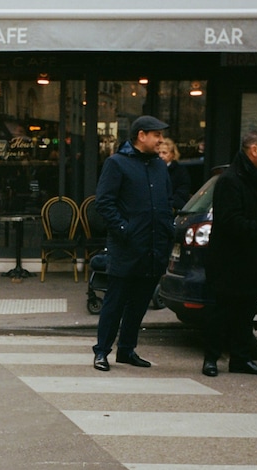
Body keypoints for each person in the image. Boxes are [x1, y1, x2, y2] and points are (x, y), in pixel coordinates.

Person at [202, 130, 257, 377]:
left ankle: (241, 359)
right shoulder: (230, 181)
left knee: (245, 311)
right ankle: (211, 359)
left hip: (252, 258)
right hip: (228, 260)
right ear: (254, 150)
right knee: (221, 311)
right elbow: (231, 222)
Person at [92, 115, 173, 371]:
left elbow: (166, 201)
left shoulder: (159, 165)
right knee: (115, 302)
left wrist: (167, 231)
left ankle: (127, 350)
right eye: (157, 135)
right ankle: (102, 351)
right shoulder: (117, 163)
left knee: (139, 304)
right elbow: (104, 202)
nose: (161, 140)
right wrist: (124, 229)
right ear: (141, 135)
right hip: (127, 247)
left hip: (154, 246)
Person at [158, 137, 192, 212]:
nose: (161, 156)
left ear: (173, 154)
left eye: (164, 153)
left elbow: (183, 191)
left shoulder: (180, 171)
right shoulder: (154, 169)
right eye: (159, 153)